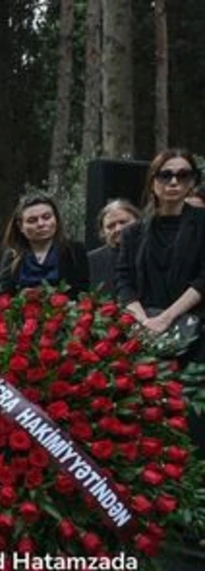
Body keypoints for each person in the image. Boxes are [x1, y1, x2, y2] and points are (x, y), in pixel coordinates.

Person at [115, 148, 205, 452]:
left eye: (184, 175)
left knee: (192, 415)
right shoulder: (133, 233)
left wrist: (166, 319)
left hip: (196, 335)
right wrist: (142, 320)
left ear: (192, 182)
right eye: (166, 175)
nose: (174, 182)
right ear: (153, 181)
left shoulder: (202, 224)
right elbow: (123, 281)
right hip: (144, 333)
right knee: (146, 411)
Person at [0, 193, 89, 297]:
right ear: (20, 226)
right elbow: (2, 293)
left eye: (46, 217)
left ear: (56, 219)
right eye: (32, 220)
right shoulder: (13, 254)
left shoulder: (74, 250)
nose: (41, 224)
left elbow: (81, 293)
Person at [87, 199, 141, 292]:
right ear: (102, 232)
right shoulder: (89, 262)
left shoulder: (154, 252)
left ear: (139, 222)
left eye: (123, 222)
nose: (118, 229)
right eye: (111, 226)